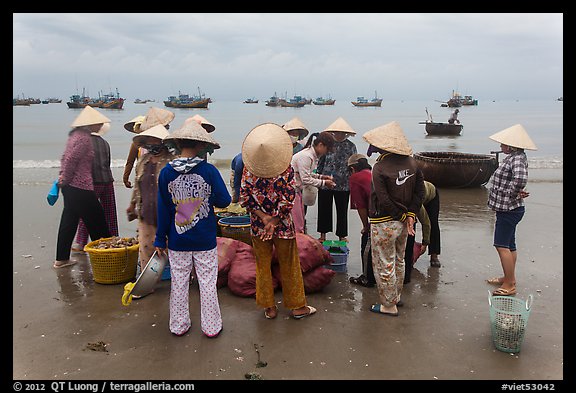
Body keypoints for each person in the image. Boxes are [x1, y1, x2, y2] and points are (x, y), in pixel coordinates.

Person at [154, 120, 230, 337]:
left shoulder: (166, 173)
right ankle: (211, 327)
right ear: (200, 145)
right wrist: (207, 196)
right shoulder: (209, 170)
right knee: (207, 283)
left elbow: (164, 209)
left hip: (178, 240)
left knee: (179, 282)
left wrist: (160, 239)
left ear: (178, 143)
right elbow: (224, 200)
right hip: (205, 239)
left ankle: (178, 326)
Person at [240, 123, 316, 320]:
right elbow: (288, 199)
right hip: (282, 225)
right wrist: (273, 220)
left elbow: (245, 199)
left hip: (258, 227)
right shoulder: (285, 171)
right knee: (289, 264)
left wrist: (264, 218)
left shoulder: (248, 171)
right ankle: (298, 307)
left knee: (262, 266)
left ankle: (269, 307)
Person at [362, 121, 424, 316]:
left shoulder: (379, 167)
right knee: (399, 260)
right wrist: (410, 215)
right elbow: (419, 192)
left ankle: (389, 305)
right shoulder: (413, 163)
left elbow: (383, 198)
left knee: (384, 262)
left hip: (384, 222)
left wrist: (403, 215)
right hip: (404, 223)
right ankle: (395, 296)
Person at [54, 106, 112, 268]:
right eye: (99, 123)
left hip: (71, 187)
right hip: (80, 187)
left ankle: (62, 259)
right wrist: (64, 178)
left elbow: (65, 157)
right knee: (98, 221)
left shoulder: (74, 136)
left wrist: (62, 178)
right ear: (91, 124)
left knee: (69, 221)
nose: (101, 126)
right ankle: (106, 258)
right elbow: (71, 160)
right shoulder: (84, 139)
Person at [486, 124, 536, 297]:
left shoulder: (516, 158)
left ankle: (510, 284)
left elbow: (520, 178)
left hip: (509, 209)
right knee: (509, 245)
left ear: (511, 146)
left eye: (503, 144)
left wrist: (512, 194)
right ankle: (508, 277)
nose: (500, 146)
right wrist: (514, 192)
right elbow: (514, 179)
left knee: (501, 245)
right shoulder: (514, 157)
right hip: (510, 208)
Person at [126, 124, 175, 275]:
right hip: (146, 211)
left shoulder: (173, 162)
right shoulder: (143, 161)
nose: (153, 145)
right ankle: (148, 282)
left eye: (156, 141)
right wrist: (132, 204)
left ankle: (177, 279)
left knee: (171, 249)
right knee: (146, 249)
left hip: (168, 215)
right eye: (149, 141)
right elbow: (137, 185)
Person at [71, 122, 119, 253]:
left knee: (86, 213)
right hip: (107, 180)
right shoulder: (105, 143)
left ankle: (80, 242)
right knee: (110, 213)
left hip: (92, 182)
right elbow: (107, 162)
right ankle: (113, 238)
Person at [316, 117, 357, 243]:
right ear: (333, 132)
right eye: (337, 132)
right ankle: (323, 235)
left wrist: (353, 180)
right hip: (326, 182)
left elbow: (354, 165)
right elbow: (320, 162)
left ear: (346, 133)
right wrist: (318, 178)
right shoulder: (328, 145)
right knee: (323, 209)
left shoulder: (351, 146)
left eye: (342, 133)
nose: (340, 135)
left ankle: (342, 235)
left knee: (342, 210)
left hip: (344, 183)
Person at [290, 131, 336, 234]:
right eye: (327, 149)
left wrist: (322, 176)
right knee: (297, 224)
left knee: (300, 220)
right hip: (291, 192)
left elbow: (308, 174)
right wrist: (324, 183)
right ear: (320, 145)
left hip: (297, 191)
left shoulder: (311, 155)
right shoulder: (306, 156)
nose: (326, 152)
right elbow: (305, 178)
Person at [123, 108, 175, 188]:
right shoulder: (137, 146)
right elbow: (130, 161)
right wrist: (125, 177)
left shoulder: (164, 144)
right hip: (143, 174)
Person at [346, 154, 376, 288]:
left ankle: (367, 277)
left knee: (367, 243)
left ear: (353, 168)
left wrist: (365, 226)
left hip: (378, 215)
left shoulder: (356, 178)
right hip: (393, 213)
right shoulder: (372, 173)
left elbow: (361, 206)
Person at [404, 180, 441, 284]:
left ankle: (434, 255)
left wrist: (425, 243)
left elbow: (426, 223)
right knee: (410, 224)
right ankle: (408, 257)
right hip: (417, 195)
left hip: (431, 195)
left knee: (433, 223)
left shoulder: (416, 203)